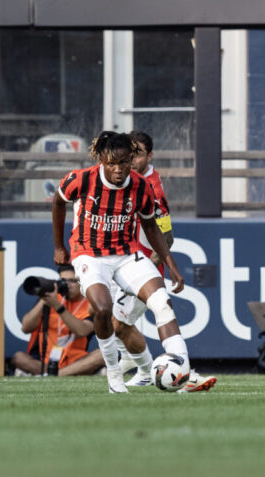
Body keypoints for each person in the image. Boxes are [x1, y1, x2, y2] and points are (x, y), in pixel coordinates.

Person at [52, 130, 214, 393]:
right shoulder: (81, 179)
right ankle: (115, 374)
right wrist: (59, 246)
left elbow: (152, 227)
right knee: (103, 310)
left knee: (161, 302)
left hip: (127, 254)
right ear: (102, 160)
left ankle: (181, 367)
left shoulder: (143, 186)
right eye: (111, 164)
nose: (118, 169)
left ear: (132, 159)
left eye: (124, 162)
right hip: (90, 253)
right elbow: (58, 201)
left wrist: (171, 265)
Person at [112, 131, 216, 391]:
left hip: (139, 268)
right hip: (125, 263)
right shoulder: (130, 181)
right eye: (130, 153)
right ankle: (141, 366)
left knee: (123, 322)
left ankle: (182, 375)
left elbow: (166, 236)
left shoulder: (152, 190)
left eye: (138, 154)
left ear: (150, 156)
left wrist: (148, 266)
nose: (132, 159)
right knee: (117, 323)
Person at [12, 264, 104, 376]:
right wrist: (43, 300)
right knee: (19, 358)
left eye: (72, 281)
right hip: (45, 360)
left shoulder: (91, 303)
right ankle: (64, 373)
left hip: (75, 360)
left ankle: (55, 375)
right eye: (63, 281)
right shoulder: (52, 298)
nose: (67, 285)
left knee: (102, 354)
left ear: (82, 282)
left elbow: (82, 330)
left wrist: (57, 306)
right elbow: (25, 328)